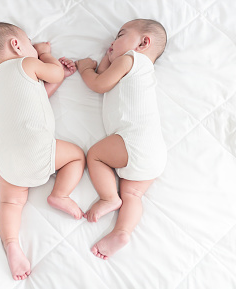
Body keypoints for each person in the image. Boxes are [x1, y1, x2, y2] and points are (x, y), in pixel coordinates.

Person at [0, 22, 85, 280]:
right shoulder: (26, 63)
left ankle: (12, 245)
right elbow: (55, 74)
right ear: (17, 46)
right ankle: (60, 194)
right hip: (38, 149)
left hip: (9, 162)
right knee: (77, 156)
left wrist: (55, 77)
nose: (33, 49)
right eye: (29, 43)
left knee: (10, 203)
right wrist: (46, 55)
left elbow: (36, 98)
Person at [75, 19, 168, 260]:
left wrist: (86, 68)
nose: (113, 42)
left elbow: (99, 84)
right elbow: (108, 77)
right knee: (133, 195)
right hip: (154, 154)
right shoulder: (142, 70)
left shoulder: (132, 59)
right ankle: (122, 231)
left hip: (133, 140)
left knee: (95, 155)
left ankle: (108, 198)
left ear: (143, 43)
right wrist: (107, 59)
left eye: (120, 35)